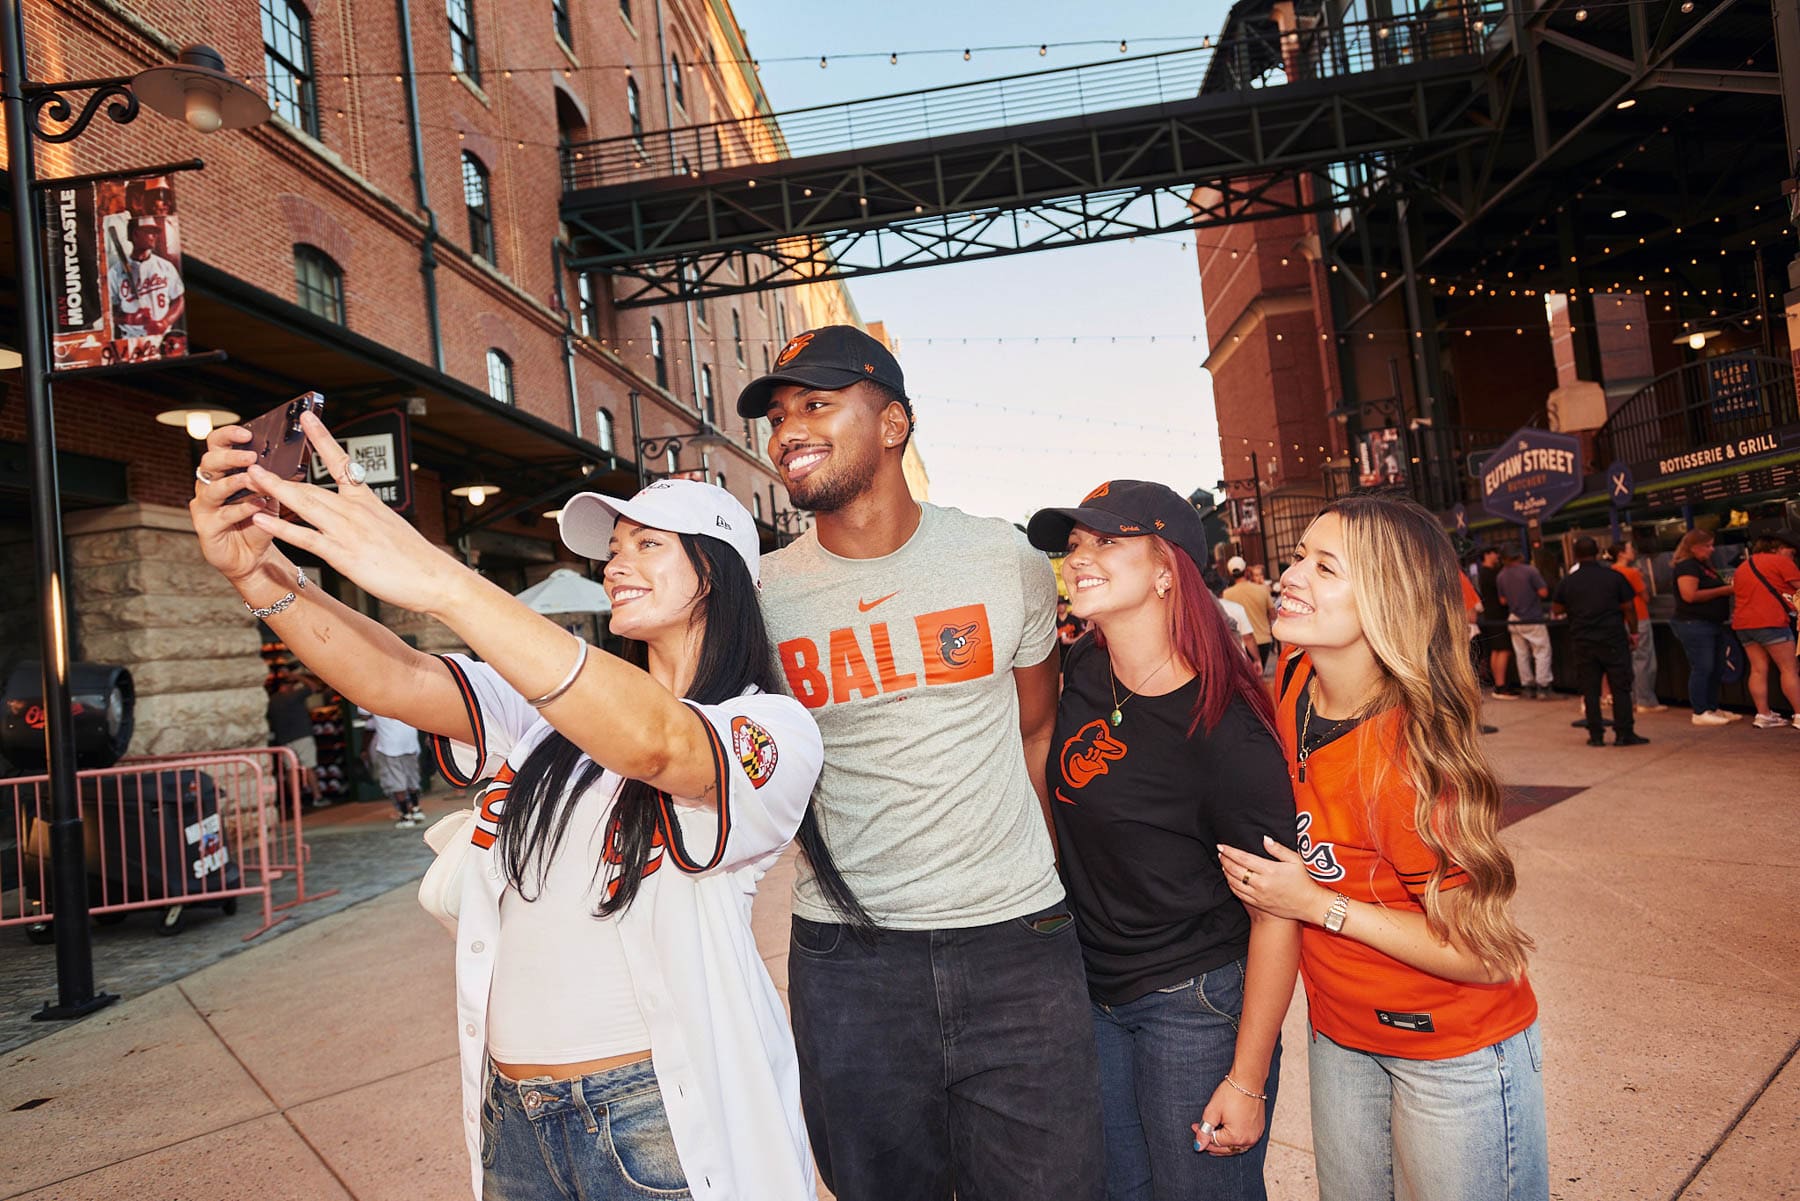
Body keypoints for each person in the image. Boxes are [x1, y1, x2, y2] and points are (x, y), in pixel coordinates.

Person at [191, 412, 854, 1201]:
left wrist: (443, 580)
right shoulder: (546, 712)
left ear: (716, 574)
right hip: (515, 1117)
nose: (616, 566)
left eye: (647, 545)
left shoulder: (768, 727)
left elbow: (658, 744)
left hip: (653, 1122)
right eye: (613, 549)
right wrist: (256, 574)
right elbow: (396, 677)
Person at [737, 325, 1105, 1201]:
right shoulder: (764, 596)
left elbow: (1034, 728)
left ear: (893, 423)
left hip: (1019, 947)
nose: (788, 429)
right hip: (848, 964)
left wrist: (1034, 880)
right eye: (779, 414)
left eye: (817, 405)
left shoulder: (1000, 558)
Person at [1219, 494, 1546, 1201]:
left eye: (1325, 566)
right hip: (1340, 1035)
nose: (1292, 574)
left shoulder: (1413, 759)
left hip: (1451, 1051)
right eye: (1300, 554)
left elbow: (1484, 952)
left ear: (1385, 598)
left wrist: (1318, 904)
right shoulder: (1295, 678)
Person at [1027, 481, 1300, 1201]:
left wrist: (1246, 1079)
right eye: (1076, 543)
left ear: (1165, 570)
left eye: (1107, 540)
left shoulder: (1228, 730)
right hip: (1096, 990)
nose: (1080, 556)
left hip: (1195, 1001)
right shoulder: (1083, 670)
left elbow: (1279, 914)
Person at [1551, 537, 1648, 747]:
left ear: (1575, 555)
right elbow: (1629, 607)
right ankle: (1624, 733)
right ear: (1597, 552)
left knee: (1590, 688)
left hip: (1582, 640)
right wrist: (1634, 633)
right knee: (1620, 687)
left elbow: (1557, 609)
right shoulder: (1613, 577)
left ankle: (1596, 735)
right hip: (1612, 637)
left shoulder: (1568, 582)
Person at [1669, 529, 1739, 726]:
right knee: (1703, 667)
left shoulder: (1703, 565)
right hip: (1694, 623)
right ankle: (1700, 711)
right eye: (1707, 545)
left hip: (1712, 623)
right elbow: (1689, 595)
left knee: (1717, 667)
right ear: (1693, 547)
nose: (1712, 549)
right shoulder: (1687, 566)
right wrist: (1725, 590)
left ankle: (1712, 707)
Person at [1731, 531, 1800, 729]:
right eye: (1791, 552)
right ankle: (1799, 714)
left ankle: (1763, 715)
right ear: (1776, 549)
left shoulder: (1743, 567)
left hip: (1743, 624)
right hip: (1770, 620)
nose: (1792, 557)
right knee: (1789, 668)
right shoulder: (1779, 561)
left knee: (1758, 669)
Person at [1610, 542, 1663, 712]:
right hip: (1639, 617)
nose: (1633, 551)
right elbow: (1645, 597)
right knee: (1644, 659)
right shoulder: (1632, 573)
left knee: (1629, 661)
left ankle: (1632, 698)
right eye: (1630, 549)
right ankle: (1645, 700)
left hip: (1620, 620)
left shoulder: (1611, 572)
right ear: (1621, 554)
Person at [1496, 549, 1551, 699]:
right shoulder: (1530, 571)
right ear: (1519, 556)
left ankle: (1527, 685)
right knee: (1541, 651)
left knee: (1521, 654)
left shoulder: (1501, 575)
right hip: (1532, 617)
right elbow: (1543, 592)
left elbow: (1502, 601)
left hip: (1514, 618)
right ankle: (1543, 686)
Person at [359, 706, 425, 826]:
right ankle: (416, 809)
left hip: (389, 745)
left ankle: (406, 816)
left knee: (396, 782)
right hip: (410, 741)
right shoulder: (405, 690)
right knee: (412, 778)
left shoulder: (374, 694)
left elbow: (363, 714)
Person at [265, 676, 321, 807]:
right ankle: (317, 796)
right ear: (288, 684)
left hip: (284, 740)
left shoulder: (271, 701)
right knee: (309, 767)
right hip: (302, 736)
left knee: (290, 770)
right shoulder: (294, 695)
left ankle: (297, 801)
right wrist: (299, 677)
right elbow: (314, 687)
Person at [1472, 547, 1516, 697]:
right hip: (1497, 615)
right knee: (1503, 649)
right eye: (1494, 553)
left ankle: (1498, 684)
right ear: (1486, 554)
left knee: (1496, 650)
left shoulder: (1483, 573)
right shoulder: (1491, 573)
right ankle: (1501, 685)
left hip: (1490, 616)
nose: (1497, 556)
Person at [1222, 555, 1277, 668]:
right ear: (1246, 570)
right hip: (1264, 639)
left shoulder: (1226, 594)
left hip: (1241, 642)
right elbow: (1273, 615)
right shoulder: (1262, 590)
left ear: (1230, 573)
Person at [1207, 567, 1261, 663]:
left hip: (1214, 662)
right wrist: (1256, 659)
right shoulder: (1236, 608)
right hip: (1237, 660)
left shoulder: (1202, 610)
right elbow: (1248, 637)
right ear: (1223, 589)